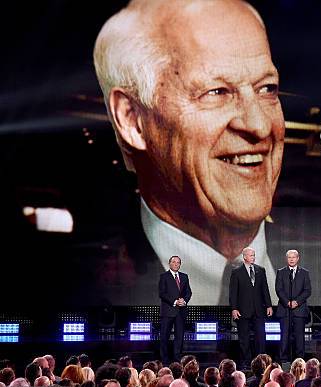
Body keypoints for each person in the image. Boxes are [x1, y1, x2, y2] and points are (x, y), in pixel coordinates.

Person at [93, 0, 284, 306]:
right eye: (217, 92)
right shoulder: (80, 286)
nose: (260, 126)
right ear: (133, 120)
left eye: (267, 89)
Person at [230, 247, 273, 368]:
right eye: (250, 255)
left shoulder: (260, 270)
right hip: (243, 310)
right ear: (244, 257)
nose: (253, 257)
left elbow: (265, 289)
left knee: (261, 336)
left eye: (254, 255)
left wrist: (269, 305)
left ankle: (261, 362)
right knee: (244, 338)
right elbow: (233, 292)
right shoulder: (236, 272)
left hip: (259, 309)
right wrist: (234, 308)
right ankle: (246, 363)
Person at [275, 249, 311, 362]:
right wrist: (287, 302)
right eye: (289, 257)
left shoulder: (304, 273)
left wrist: (297, 302)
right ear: (287, 259)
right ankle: (283, 360)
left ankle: (300, 361)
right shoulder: (281, 272)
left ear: (297, 258)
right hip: (285, 309)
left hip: (299, 310)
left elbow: (307, 290)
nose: (291, 259)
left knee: (299, 338)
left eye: (293, 257)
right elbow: (279, 289)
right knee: (284, 337)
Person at [159, 256, 192, 364]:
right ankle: (165, 360)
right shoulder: (164, 276)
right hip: (168, 311)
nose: (176, 264)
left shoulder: (184, 277)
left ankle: (177, 359)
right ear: (169, 263)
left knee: (179, 337)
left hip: (181, 312)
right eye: (174, 262)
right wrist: (175, 301)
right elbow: (162, 293)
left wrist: (184, 300)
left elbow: (188, 292)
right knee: (164, 336)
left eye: (178, 262)